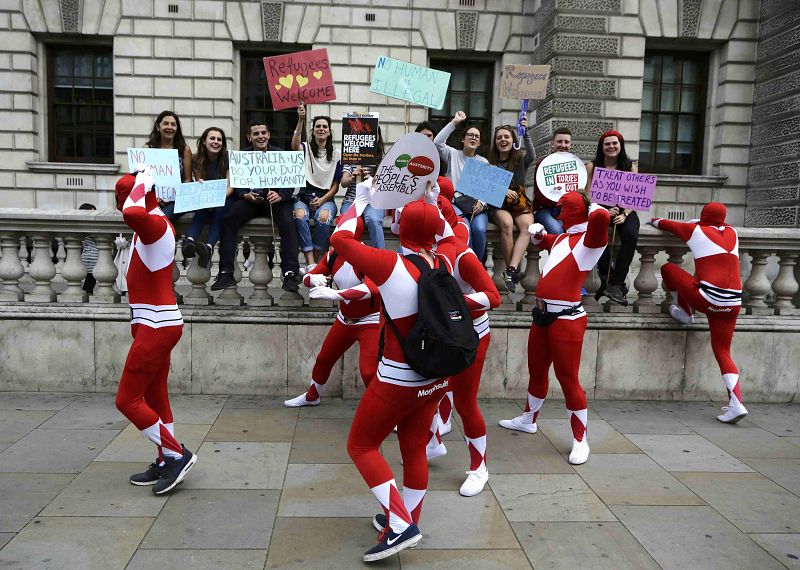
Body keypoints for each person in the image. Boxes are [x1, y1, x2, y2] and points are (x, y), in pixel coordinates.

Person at [330, 181, 458, 562]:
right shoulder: (446, 260)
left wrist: (359, 201)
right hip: (435, 377)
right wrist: (434, 204)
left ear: (401, 229)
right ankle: (407, 519)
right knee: (414, 448)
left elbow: (339, 240)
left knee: (361, 446)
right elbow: (451, 234)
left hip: (399, 378)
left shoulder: (390, 265)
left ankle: (400, 524)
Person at [499, 191, 610, 465]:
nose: (559, 213)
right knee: (536, 370)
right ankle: (529, 419)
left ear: (577, 210)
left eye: (564, 208)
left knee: (568, 378)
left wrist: (591, 204)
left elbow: (602, 217)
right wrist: (538, 234)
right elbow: (544, 241)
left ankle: (580, 439)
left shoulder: (591, 240)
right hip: (542, 315)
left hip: (567, 319)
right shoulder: (563, 238)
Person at [114, 167, 197, 495]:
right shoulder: (151, 222)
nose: (119, 205)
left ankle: (176, 454)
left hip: (156, 327)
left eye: (120, 197)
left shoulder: (153, 223)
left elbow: (132, 212)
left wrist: (142, 184)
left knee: (127, 400)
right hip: (154, 324)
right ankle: (166, 459)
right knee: (154, 396)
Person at [425, 192, 501, 496]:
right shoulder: (426, 251)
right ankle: (433, 442)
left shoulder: (462, 254)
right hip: (442, 335)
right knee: (430, 392)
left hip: (471, 337)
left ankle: (479, 467)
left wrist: (450, 303)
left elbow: (493, 297)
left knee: (465, 402)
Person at [649, 204, 746, 423]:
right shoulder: (732, 231)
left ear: (703, 216)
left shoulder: (694, 230)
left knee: (668, 269)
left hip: (708, 299)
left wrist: (653, 221)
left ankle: (685, 312)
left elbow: (661, 223)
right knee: (723, 351)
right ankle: (736, 403)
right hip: (733, 304)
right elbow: (718, 225)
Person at [284, 221, 381, 407]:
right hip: (344, 320)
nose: (335, 235)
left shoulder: (367, 255)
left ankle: (383, 409)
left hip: (371, 321)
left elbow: (372, 288)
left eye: (340, 230)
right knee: (324, 359)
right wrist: (312, 278)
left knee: (369, 371)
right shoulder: (334, 254)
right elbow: (307, 278)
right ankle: (312, 395)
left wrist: (337, 294)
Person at [210, 120, 300, 293]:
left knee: (289, 223)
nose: (261, 136)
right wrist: (245, 195)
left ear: (269, 135)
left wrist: (281, 195)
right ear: (249, 137)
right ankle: (225, 272)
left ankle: (290, 273)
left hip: (275, 200)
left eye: (263, 133)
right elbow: (236, 184)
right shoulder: (242, 156)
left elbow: (290, 184)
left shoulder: (281, 155)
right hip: (251, 200)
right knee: (228, 219)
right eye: (256, 134)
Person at [585, 130, 640, 305]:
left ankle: (615, 284)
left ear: (620, 145)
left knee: (631, 235)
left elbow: (635, 196)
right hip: (601, 209)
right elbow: (587, 195)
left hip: (625, 210)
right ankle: (607, 276)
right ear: (601, 147)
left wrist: (624, 214)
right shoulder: (592, 166)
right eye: (607, 144)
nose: (611, 147)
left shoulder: (630, 166)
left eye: (614, 143)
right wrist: (603, 211)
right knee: (595, 232)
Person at [434, 111, 490, 261]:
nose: (473, 138)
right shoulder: (452, 154)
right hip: (455, 204)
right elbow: (437, 142)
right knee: (464, 228)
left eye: (477, 136)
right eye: (470, 135)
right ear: (463, 139)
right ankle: (465, 263)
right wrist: (455, 121)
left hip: (477, 207)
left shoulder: (483, 162)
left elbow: (487, 189)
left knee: (479, 229)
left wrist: (481, 203)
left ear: (479, 143)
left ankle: (477, 263)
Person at [292, 104, 343, 268]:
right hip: (303, 197)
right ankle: (310, 261)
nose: (321, 129)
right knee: (299, 215)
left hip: (325, 198)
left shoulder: (337, 154)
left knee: (324, 218)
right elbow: (294, 145)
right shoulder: (305, 148)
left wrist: (322, 200)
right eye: (318, 126)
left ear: (329, 131)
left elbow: (336, 186)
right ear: (313, 131)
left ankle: (316, 257)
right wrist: (301, 120)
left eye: (324, 127)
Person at [488, 121, 536, 292]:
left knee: (527, 227)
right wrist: (503, 189)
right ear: (495, 142)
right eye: (499, 137)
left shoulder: (520, 159)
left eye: (507, 137)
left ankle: (510, 270)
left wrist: (526, 132)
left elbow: (532, 155)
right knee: (507, 224)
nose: (503, 140)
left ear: (513, 140)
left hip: (518, 202)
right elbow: (487, 187)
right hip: (499, 204)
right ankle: (512, 273)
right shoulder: (490, 164)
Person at [182, 126, 233, 268]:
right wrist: (204, 193)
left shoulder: (228, 158)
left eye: (219, 139)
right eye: (212, 138)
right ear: (204, 141)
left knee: (219, 212)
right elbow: (200, 181)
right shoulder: (196, 159)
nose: (216, 142)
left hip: (226, 197)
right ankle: (189, 240)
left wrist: (216, 200)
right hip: (207, 197)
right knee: (201, 210)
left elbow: (230, 186)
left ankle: (209, 247)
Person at [340, 127, 386, 248]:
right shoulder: (351, 155)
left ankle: (381, 255)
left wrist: (370, 179)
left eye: (373, 134)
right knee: (348, 221)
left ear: (378, 137)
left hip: (373, 200)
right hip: (352, 200)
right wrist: (352, 178)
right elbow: (343, 182)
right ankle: (348, 256)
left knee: (373, 219)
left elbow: (384, 185)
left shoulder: (383, 158)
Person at [144, 111, 193, 223]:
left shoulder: (184, 150)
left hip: (177, 200)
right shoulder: (147, 148)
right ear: (158, 126)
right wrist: (154, 196)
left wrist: (172, 197)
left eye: (173, 124)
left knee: (160, 220)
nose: (169, 127)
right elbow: (143, 179)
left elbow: (187, 180)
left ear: (177, 128)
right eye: (166, 123)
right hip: (152, 198)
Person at [531, 128, 572, 235]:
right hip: (544, 209)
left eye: (566, 142)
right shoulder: (542, 165)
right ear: (552, 144)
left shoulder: (575, 166)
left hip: (565, 210)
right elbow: (538, 193)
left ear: (570, 145)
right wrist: (558, 199)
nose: (563, 145)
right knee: (556, 230)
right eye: (559, 141)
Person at [78, 203, 98, 294]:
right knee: (90, 279)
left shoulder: (83, 225)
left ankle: (87, 292)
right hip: (92, 256)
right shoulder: (88, 226)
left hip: (89, 255)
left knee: (90, 279)